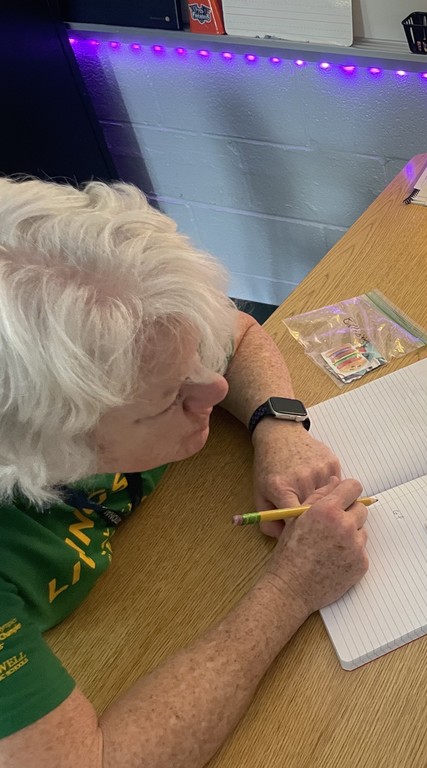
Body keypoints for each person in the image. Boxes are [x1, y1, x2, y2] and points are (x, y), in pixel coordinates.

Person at [0, 178, 370, 767]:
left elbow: (240, 336)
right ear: (49, 447)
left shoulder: (112, 336)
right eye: (172, 396)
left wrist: (274, 426)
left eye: (196, 359)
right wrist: (291, 586)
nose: (216, 387)